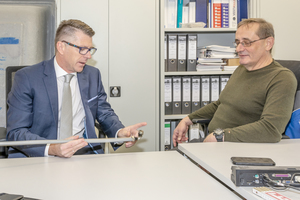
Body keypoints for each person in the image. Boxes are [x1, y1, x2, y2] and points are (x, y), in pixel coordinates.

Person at [6, 19, 146, 158]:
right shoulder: (27, 78)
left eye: (90, 50)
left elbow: (104, 113)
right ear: (61, 47)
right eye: (82, 49)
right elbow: (16, 131)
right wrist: (53, 149)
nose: (88, 55)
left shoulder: (92, 75)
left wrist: (120, 132)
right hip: (43, 154)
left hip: (84, 152)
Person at [173, 18, 297, 146]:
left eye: (246, 43)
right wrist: (188, 119)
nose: (238, 48)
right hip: (216, 143)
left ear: (268, 43)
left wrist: (220, 136)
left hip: (239, 149)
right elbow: (221, 104)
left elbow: (271, 130)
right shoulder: (242, 69)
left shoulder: (282, 78)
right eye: (237, 42)